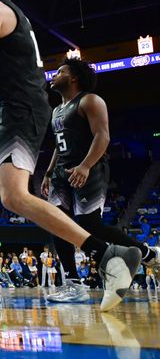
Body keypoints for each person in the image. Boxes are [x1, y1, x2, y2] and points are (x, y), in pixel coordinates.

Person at [0, 0, 141, 311]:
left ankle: (109, 255)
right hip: (14, 110)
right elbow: (17, 76)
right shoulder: (12, 15)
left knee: (14, 197)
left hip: (21, 111)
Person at [42, 58, 160, 303]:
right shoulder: (56, 110)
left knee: (89, 225)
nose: (54, 74)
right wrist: (47, 172)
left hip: (89, 167)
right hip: (62, 171)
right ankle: (73, 284)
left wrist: (85, 165)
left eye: (60, 71)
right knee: (56, 223)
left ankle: (148, 254)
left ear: (74, 77)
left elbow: (102, 136)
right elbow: (58, 145)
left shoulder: (90, 100)